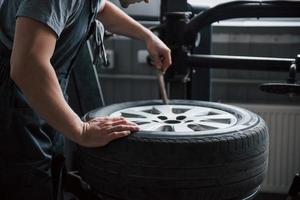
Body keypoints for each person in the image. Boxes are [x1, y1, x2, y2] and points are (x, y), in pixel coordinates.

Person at [0, 0, 171, 199]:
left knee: (48, 178)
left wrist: (147, 36)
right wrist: (82, 131)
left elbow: (101, 8)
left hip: (37, 97)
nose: (148, 1)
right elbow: (27, 65)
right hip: (12, 102)